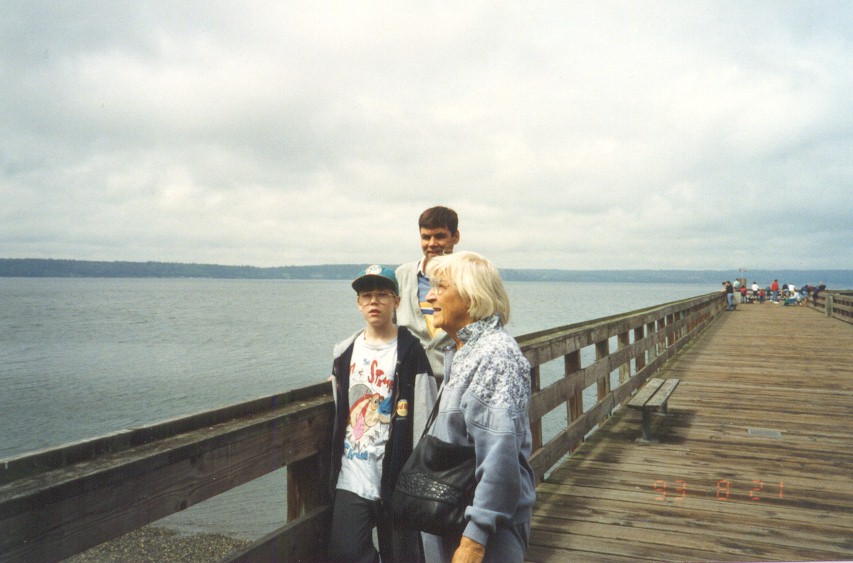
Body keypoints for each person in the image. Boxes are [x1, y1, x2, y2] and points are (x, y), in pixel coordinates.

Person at [421, 251, 535, 563]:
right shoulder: (464, 349)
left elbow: (500, 454)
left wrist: (475, 539)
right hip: (454, 514)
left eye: (441, 287)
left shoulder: (495, 355)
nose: (429, 296)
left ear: (472, 298)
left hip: (482, 530)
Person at [329, 265, 437, 563]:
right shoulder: (344, 352)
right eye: (366, 296)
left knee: (402, 557)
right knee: (347, 553)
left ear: (396, 301)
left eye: (382, 294)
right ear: (358, 303)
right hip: (353, 474)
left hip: (396, 476)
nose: (373, 301)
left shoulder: (412, 352)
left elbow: (427, 415)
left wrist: (418, 474)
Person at [395, 206, 460, 378]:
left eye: (439, 236)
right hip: (411, 378)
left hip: (456, 378)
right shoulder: (402, 276)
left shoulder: (469, 278)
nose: (432, 243)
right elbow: (384, 328)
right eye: (425, 237)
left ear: (455, 237)